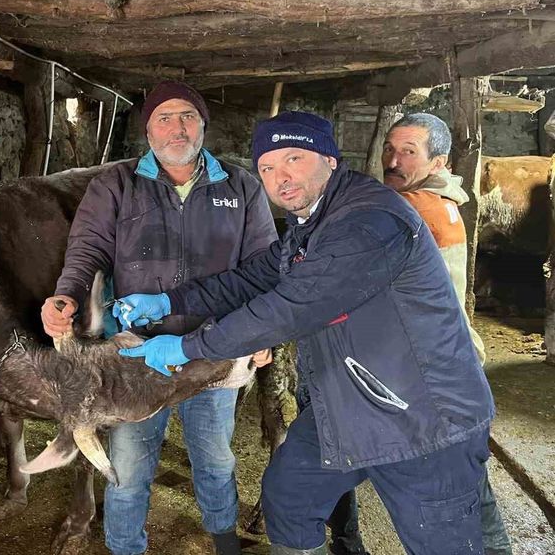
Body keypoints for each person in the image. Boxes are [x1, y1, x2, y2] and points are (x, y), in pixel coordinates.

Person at [113, 111, 495, 554]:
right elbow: (255, 278)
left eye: (294, 158)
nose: (281, 177)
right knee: (290, 497)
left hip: (422, 418)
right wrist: (170, 302)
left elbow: (286, 310)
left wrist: (186, 346)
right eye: (268, 168)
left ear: (330, 161)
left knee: (444, 542)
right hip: (351, 402)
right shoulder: (314, 222)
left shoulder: (367, 222)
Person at [40, 81, 278, 555]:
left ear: (203, 125)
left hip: (215, 345)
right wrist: (65, 296)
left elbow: (263, 264)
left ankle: (224, 538)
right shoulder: (115, 184)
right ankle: (126, 546)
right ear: (147, 129)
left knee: (214, 456)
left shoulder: (242, 185)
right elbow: (86, 249)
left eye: (188, 116)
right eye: (164, 118)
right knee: (130, 462)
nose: (177, 127)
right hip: (135, 351)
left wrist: (260, 331)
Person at [382, 112, 510, 554]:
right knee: (467, 476)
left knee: (447, 485)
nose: (393, 160)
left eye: (408, 152)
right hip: (453, 356)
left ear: (438, 162)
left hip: (434, 366)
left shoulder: (414, 207)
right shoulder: (448, 201)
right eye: (390, 149)